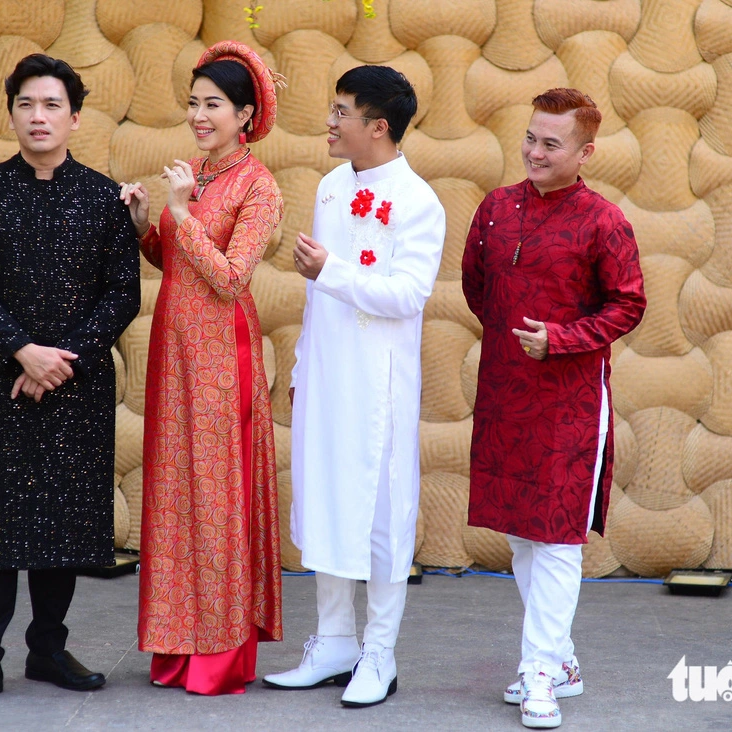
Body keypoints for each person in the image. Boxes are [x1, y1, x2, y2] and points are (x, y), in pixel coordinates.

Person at [0, 53, 141, 709]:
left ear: (75, 118)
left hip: (74, 386)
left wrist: (59, 359)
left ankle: (48, 650)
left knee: (62, 524)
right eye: (27, 104)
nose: (39, 116)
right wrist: (22, 350)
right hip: (0, 378)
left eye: (52, 105)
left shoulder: (105, 198)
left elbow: (120, 296)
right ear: (11, 113)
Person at [461, 88, 646, 729]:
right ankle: (561, 659)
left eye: (552, 143)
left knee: (559, 537)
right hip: (505, 394)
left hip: (571, 402)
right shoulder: (493, 210)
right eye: (531, 138)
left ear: (584, 151)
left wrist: (560, 341)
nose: (535, 151)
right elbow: (477, 287)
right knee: (521, 533)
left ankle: (538, 669)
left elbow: (628, 304)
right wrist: (519, 348)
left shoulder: (604, 221)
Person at [261, 66, 445, 708]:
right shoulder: (332, 187)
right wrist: (306, 366)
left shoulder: (420, 201)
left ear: (378, 126)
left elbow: (408, 296)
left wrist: (332, 271)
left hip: (379, 387)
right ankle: (333, 641)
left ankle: (380, 652)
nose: (330, 123)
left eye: (342, 112)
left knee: (382, 517)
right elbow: (317, 299)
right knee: (329, 501)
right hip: (329, 377)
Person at [118, 41, 284, 696]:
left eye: (212, 104)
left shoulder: (258, 185)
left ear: (245, 115)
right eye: (193, 103)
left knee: (216, 496)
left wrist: (182, 212)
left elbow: (230, 277)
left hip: (221, 355)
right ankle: (178, 644)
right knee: (176, 493)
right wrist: (143, 225)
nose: (199, 115)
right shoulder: (196, 172)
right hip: (175, 351)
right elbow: (178, 260)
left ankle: (218, 654)